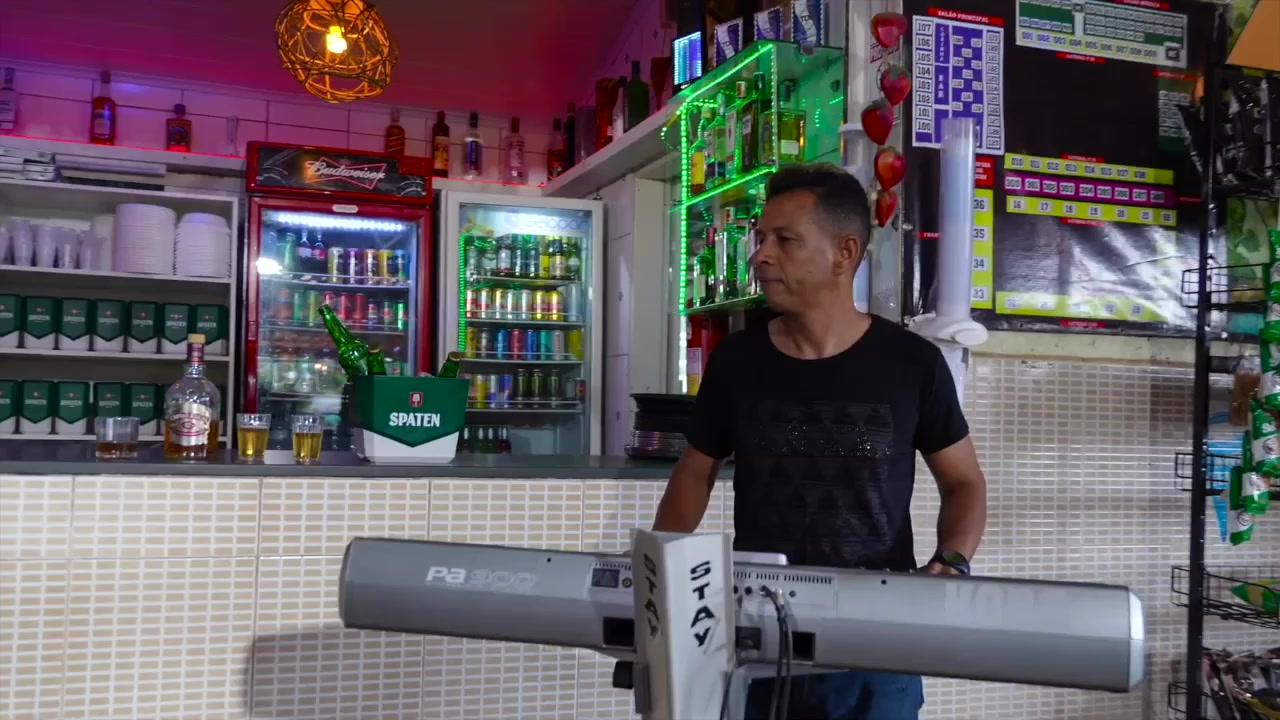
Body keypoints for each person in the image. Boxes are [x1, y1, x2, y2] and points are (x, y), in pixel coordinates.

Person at [652, 164, 988, 720]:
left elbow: (964, 482)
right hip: (760, 629)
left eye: (784, 241)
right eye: (761, 238)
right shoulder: (737, 361)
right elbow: (694, 471)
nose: (760, 256)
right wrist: (659, 571)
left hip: (878, 637)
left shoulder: (913, 364)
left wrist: (951, 561)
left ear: (844, 252)